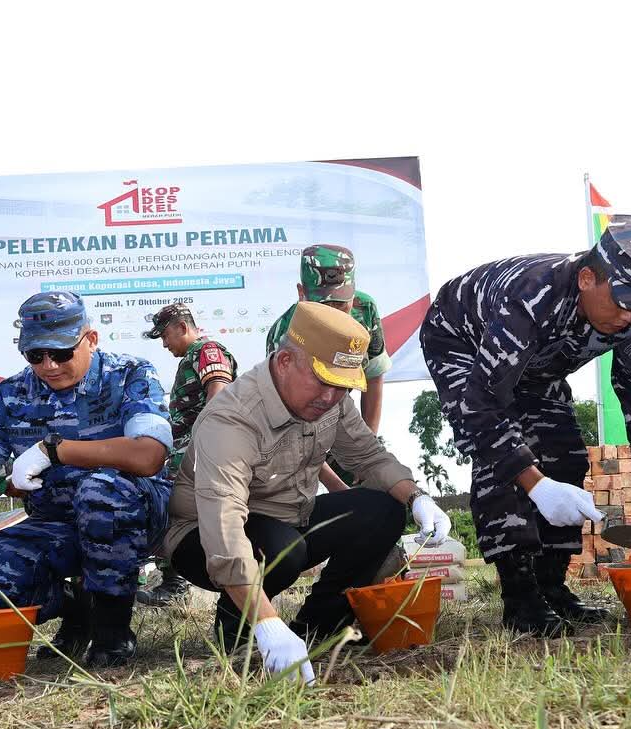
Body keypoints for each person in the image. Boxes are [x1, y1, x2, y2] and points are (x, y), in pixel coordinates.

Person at [421, 216, 631, 636]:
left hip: (536, 366)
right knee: (503, 459)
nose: (629, 316)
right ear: (587, 279)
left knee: (566, 454)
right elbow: (482, 406)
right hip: (463, 343)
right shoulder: (532, 300)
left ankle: (551, 586)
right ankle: (520, 598)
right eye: (622, 301)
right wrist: (535, 484)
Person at [166, 301, 451, 680]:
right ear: (285, 361)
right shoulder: (232, 418)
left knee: (381, 511)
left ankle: (316, 630)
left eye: (342, 386)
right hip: (201, 536)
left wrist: (417, 497)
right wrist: (268, 623)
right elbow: (224, 528)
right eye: (323, 381)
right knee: (282, 548)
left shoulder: (331, 401)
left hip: (286, 519)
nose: (331, 397)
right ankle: (240, 633)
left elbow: (369, 457)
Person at [0, 291, 172, 668]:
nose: (49, 366)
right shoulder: (9, 396)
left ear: (91, 340)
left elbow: (148, 454)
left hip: (136, 514)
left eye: (61, 352)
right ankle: (76, 609)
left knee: (101, 491)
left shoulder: (129, 375)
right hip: (56, 522)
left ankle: (112, 631)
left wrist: (56, 451)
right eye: (35, 355)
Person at [264, 244, 390, 491]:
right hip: (299, 431)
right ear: (302, 293)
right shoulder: (284, 335)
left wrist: (365, 453)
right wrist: (337, 487)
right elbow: (291, 426)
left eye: (341, 304)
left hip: (345, 418)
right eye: (324, 304)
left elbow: (374, 377)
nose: (334, 313)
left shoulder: (365, 310)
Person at [137, 301, 237, 607]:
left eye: (165, 335)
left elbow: (218, 394)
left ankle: (176, 585)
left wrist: (201, 447)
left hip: (196, 453)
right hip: (185, 452)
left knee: (173, 512)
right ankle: (175, 582)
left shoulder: (208, 350)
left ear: (182, 327)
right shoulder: (192, 357)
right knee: (170, 512)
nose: (164, 343)